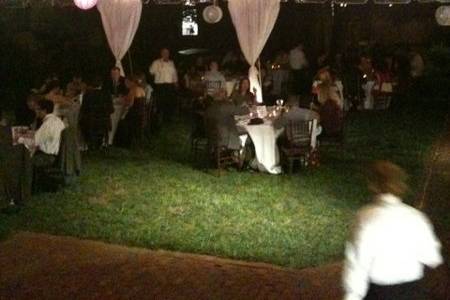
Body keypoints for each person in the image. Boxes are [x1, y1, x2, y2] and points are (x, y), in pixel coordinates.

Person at [343, 161, 443, 300]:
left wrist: (352, 295)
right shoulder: (416, 217)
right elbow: (432, 257)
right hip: (412, 290)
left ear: (373, 185)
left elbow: (358, 262)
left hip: (379, 292)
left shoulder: (365, 217)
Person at [79, 75, 114, 150]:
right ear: (101, 84)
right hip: (103, 121)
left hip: (90, 121)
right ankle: (101, 143)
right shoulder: (106, 94)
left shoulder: (88, 95)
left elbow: (83, 109)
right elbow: (111, 109)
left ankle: (89, 143)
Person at [115, 75, 146, 148]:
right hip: (142, 114)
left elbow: (130, 103)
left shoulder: (133, 89)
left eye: (126, 83)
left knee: (121, 121)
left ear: (131, 82)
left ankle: (124, 143)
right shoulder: (141, 89)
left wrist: (123, 103)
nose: (125, 84)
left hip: (135, 115)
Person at [149, 48, 178, 124]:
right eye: (164, 53)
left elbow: (174, 74)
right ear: (161, 54)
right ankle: (158, 120)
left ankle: (168, 119)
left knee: (169, 103)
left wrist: (175, 82)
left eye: (167, 53)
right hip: (160, 85)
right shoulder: (156, 62)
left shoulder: (171, 63)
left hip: (170, 85)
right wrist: (158, 68)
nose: (166, 54)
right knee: (160, 103)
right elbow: (151, 72)